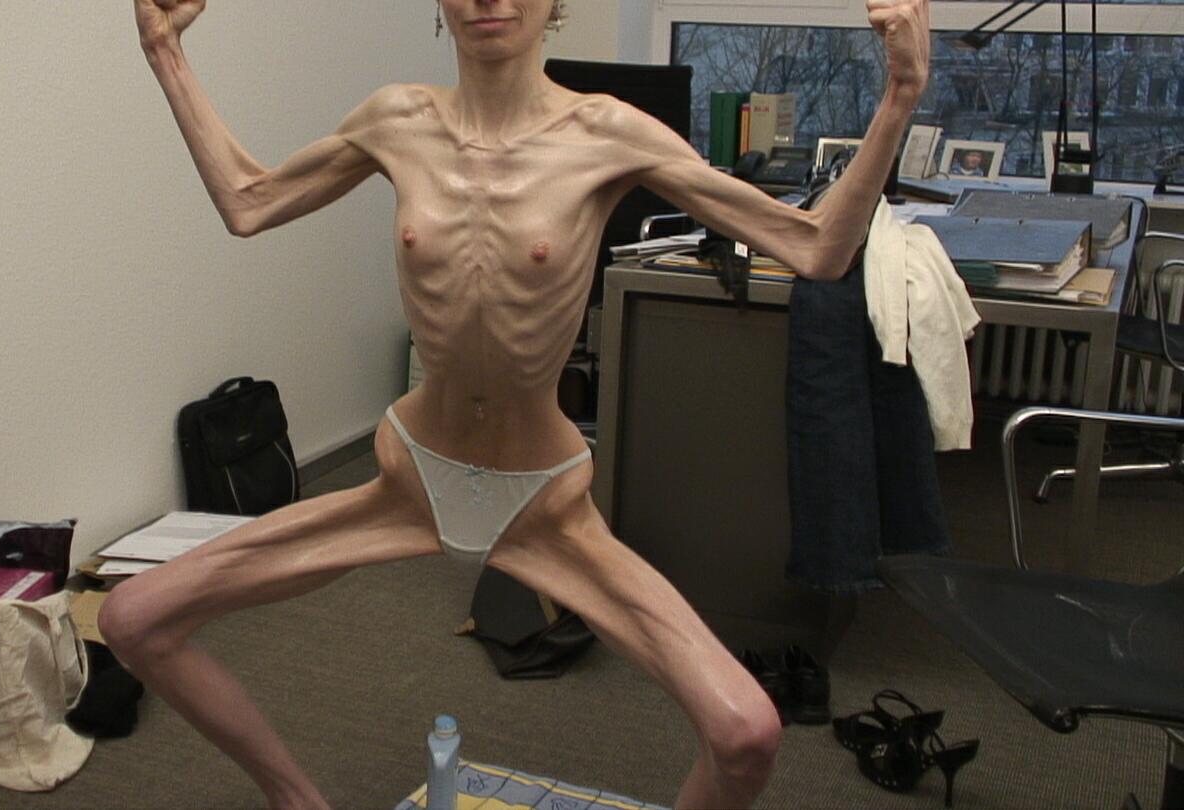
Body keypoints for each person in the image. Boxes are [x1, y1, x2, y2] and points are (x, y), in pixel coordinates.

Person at [99, 1, 932, 807]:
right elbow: (248, 201)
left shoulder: (607, 132)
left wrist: (899, 94)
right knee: (134, 618)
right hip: (407, 480)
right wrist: (164, 51)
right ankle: (294, 798)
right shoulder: (397, 119)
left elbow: (816, 248)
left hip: (543, 504)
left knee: (746, 734)